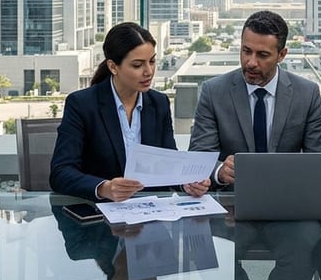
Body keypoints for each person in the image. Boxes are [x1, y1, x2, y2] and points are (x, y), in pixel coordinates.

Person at [50, 22, 210, 201]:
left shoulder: (159, 103)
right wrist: (104, 188)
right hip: (99, 216)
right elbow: (61, 173)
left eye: (152, 61)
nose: (148, 71)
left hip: (150, 214)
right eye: (137, 65)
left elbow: (167, 164)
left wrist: (186, 182)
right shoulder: (82, 104)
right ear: (113, 67)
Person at [189, 10, 321, 186]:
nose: (251, 62)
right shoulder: (213, 92)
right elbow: (198, 157)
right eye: (246, 51)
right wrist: (220, 171)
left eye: (262, 55)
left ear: (282, 55)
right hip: (232, 201)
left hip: (289, 198)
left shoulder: (307, 94)